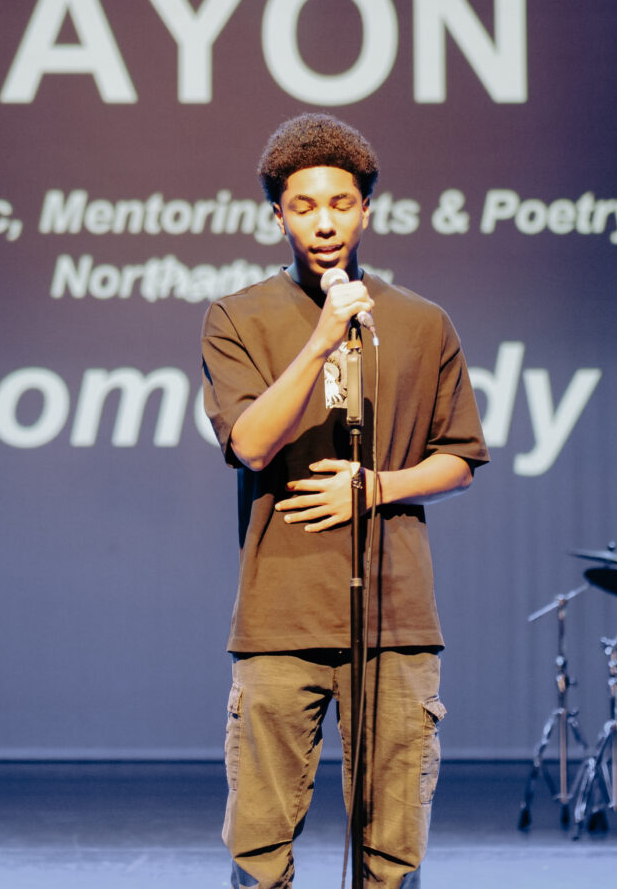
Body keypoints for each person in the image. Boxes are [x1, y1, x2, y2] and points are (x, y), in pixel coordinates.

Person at [201, 113, 489, 888]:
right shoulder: (237, 318)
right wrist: (322, 340)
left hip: (395, 618)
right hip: (280, 615)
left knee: (391, 850)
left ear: (366, 209)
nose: (323, 222)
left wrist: (377, 488)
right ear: (277, 215)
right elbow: (253, 442)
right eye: (303, 206)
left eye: (339, 203)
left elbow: (460, 459)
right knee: (259, 845)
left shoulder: (424, 323)